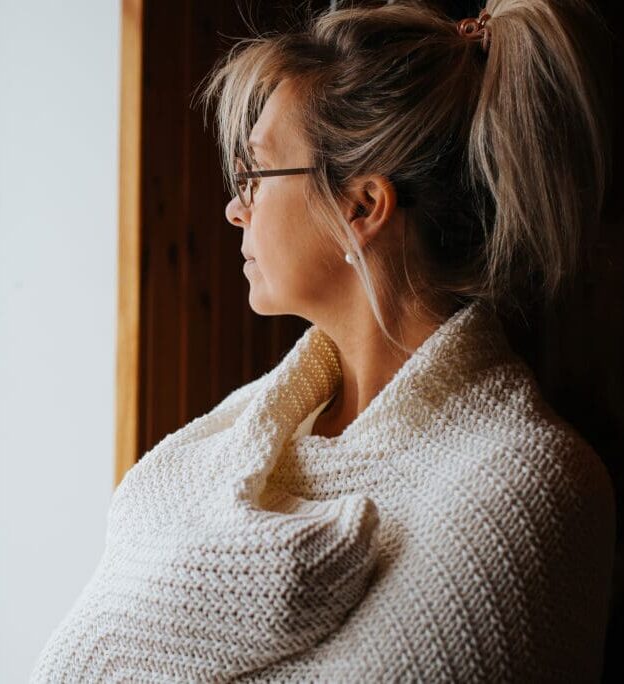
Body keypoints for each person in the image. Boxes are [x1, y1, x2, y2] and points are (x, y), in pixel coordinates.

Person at [30, 1, 616, 680]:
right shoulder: (240, 430)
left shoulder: (528, 488)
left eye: (258, 174)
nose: (234, 206)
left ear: (361, 207)